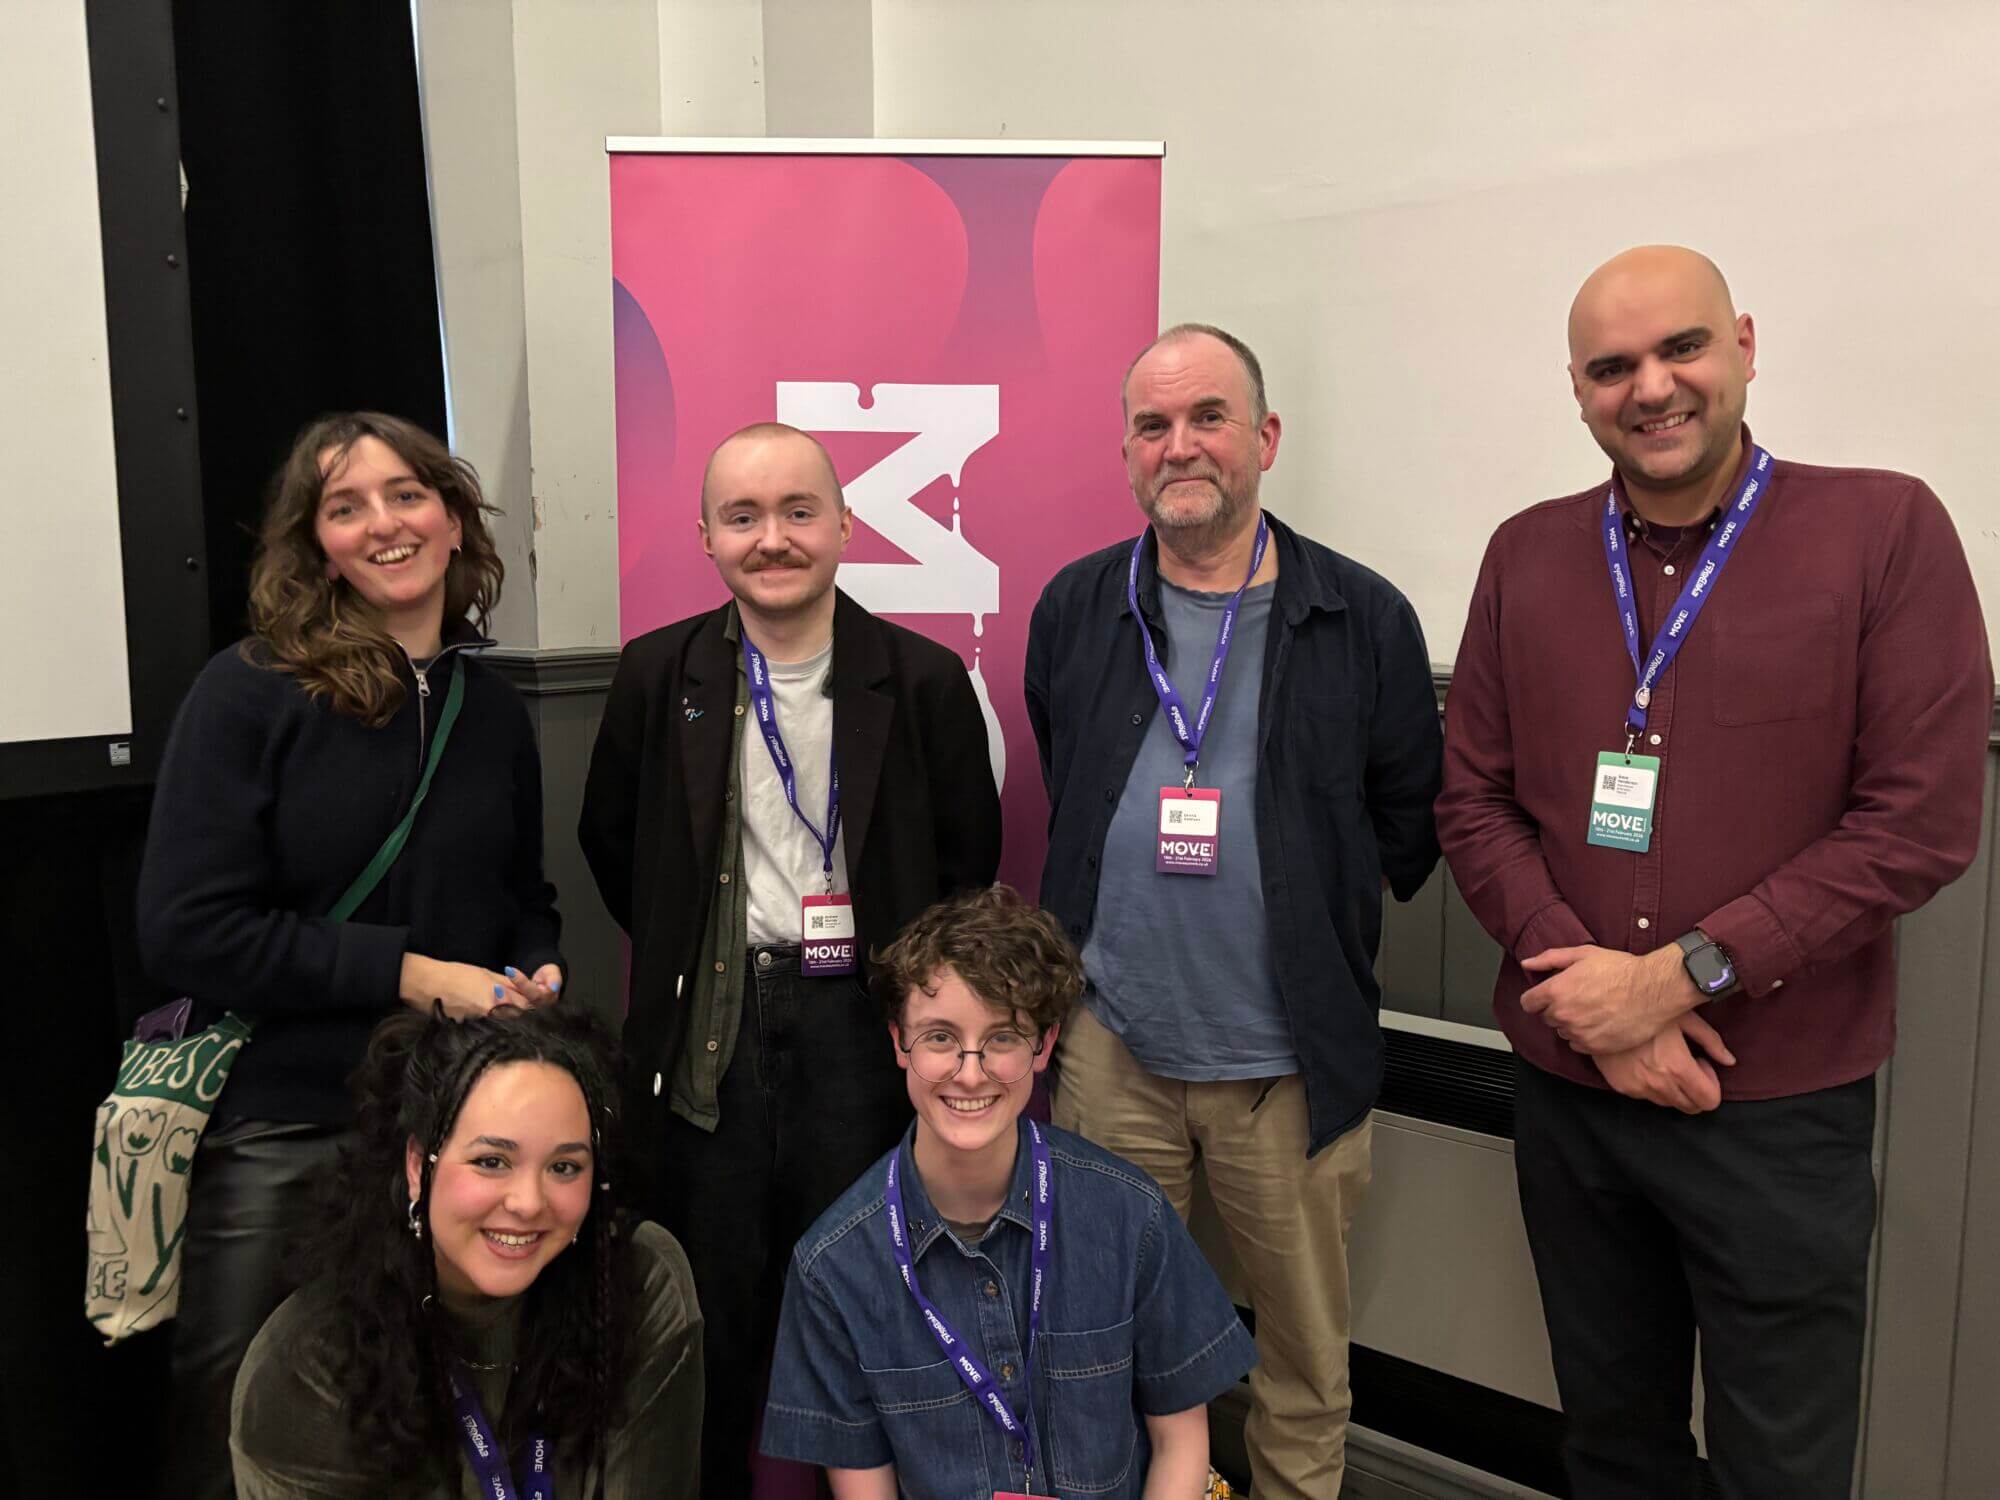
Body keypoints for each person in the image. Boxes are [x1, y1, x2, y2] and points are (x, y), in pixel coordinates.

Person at [1434, 245, 1992, 1496]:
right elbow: (1471, 799)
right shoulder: (1524, 554)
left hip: (1775, 1106)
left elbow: (1917, 821)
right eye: (1610, 367)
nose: (1649, 387)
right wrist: (1594, 1000)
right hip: (1571, 1095)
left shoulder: (1881, 530)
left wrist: (1673, 979)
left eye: (1679, 347)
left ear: (1741, 344)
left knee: (1778, 1464)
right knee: (1609, 1446)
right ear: (1576, 391)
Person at [1025, 323, 1442, 1497]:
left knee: (1301, 1363)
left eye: (1207, 417)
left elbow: (1406, 819)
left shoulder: (1360, 617)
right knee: (1102, 1345)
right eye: (1152, 425)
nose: (1180, 446)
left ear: (1263, 436)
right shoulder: (1077, 608)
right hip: (1112, 1053)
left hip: (1289, 1065)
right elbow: (1071, 773)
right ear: (1126, 452)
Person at [137, 411, 564, 1498]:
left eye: (407, 494)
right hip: (286, 1129)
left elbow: (526, 898)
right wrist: (411, 976)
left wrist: (537, 963)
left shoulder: (491, 709)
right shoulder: (247, 691)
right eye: (346, 506)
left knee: (423, 1426)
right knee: (239, 1425)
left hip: (452, 1135)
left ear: (454, 519)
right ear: (317, 546)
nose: (384, 523)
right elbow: (186, 929)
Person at [578, 421, 1003, 1493]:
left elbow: (967, 862)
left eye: (798, 511)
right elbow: (613, 844)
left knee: (864, 1312)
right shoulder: (656, 675)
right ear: (706, 537)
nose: (772, 538)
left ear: (845, 525)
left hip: (860, 1035)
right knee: (706, 1325)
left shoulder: (920, 680)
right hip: (708, 1036)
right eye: (743, 516)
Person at [760, 884, 1257, 1498]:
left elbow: (1181, 1443)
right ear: (898, 1042)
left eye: (1002, 1038)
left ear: (1043, 1045)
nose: (970, 1073)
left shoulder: (1131, 1215)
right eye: (939, 1037)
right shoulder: (832, 1269)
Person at [229, 1003, 702, 1498]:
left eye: (564, 1167)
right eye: (491, 1161)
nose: (528, 1203)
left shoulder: (638, 1282)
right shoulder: (307, 1368)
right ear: (418, 1165)